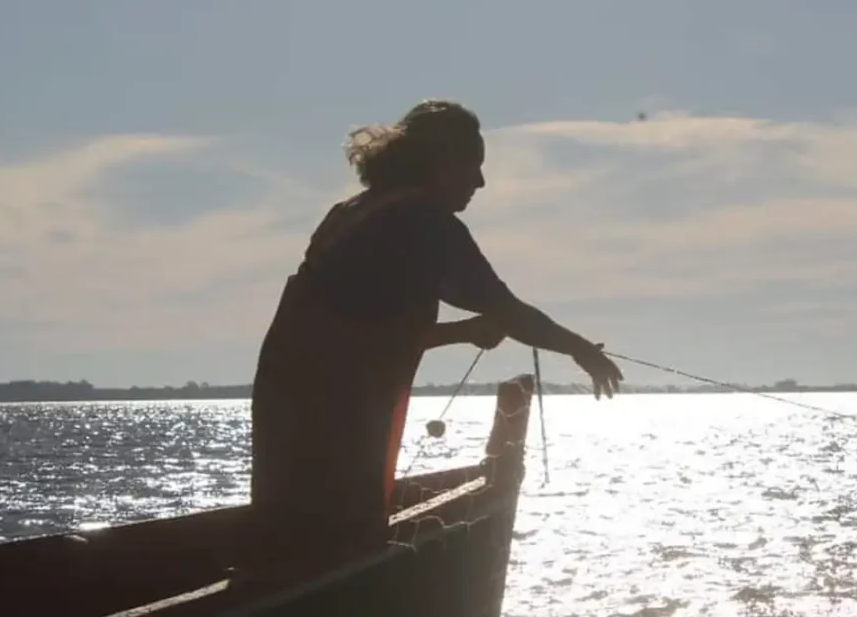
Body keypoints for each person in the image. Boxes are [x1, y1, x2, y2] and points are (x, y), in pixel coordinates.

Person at [245, 99, 623, 570]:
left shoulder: (350, 212)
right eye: (473, 167)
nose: (480, 182)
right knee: (337, 547)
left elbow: (363, 331)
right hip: (335, 415)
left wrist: (464, 331)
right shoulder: (424, 224)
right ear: (441, 164)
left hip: (285, 402)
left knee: (288, 543)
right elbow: (507, 310)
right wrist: (582, 351)